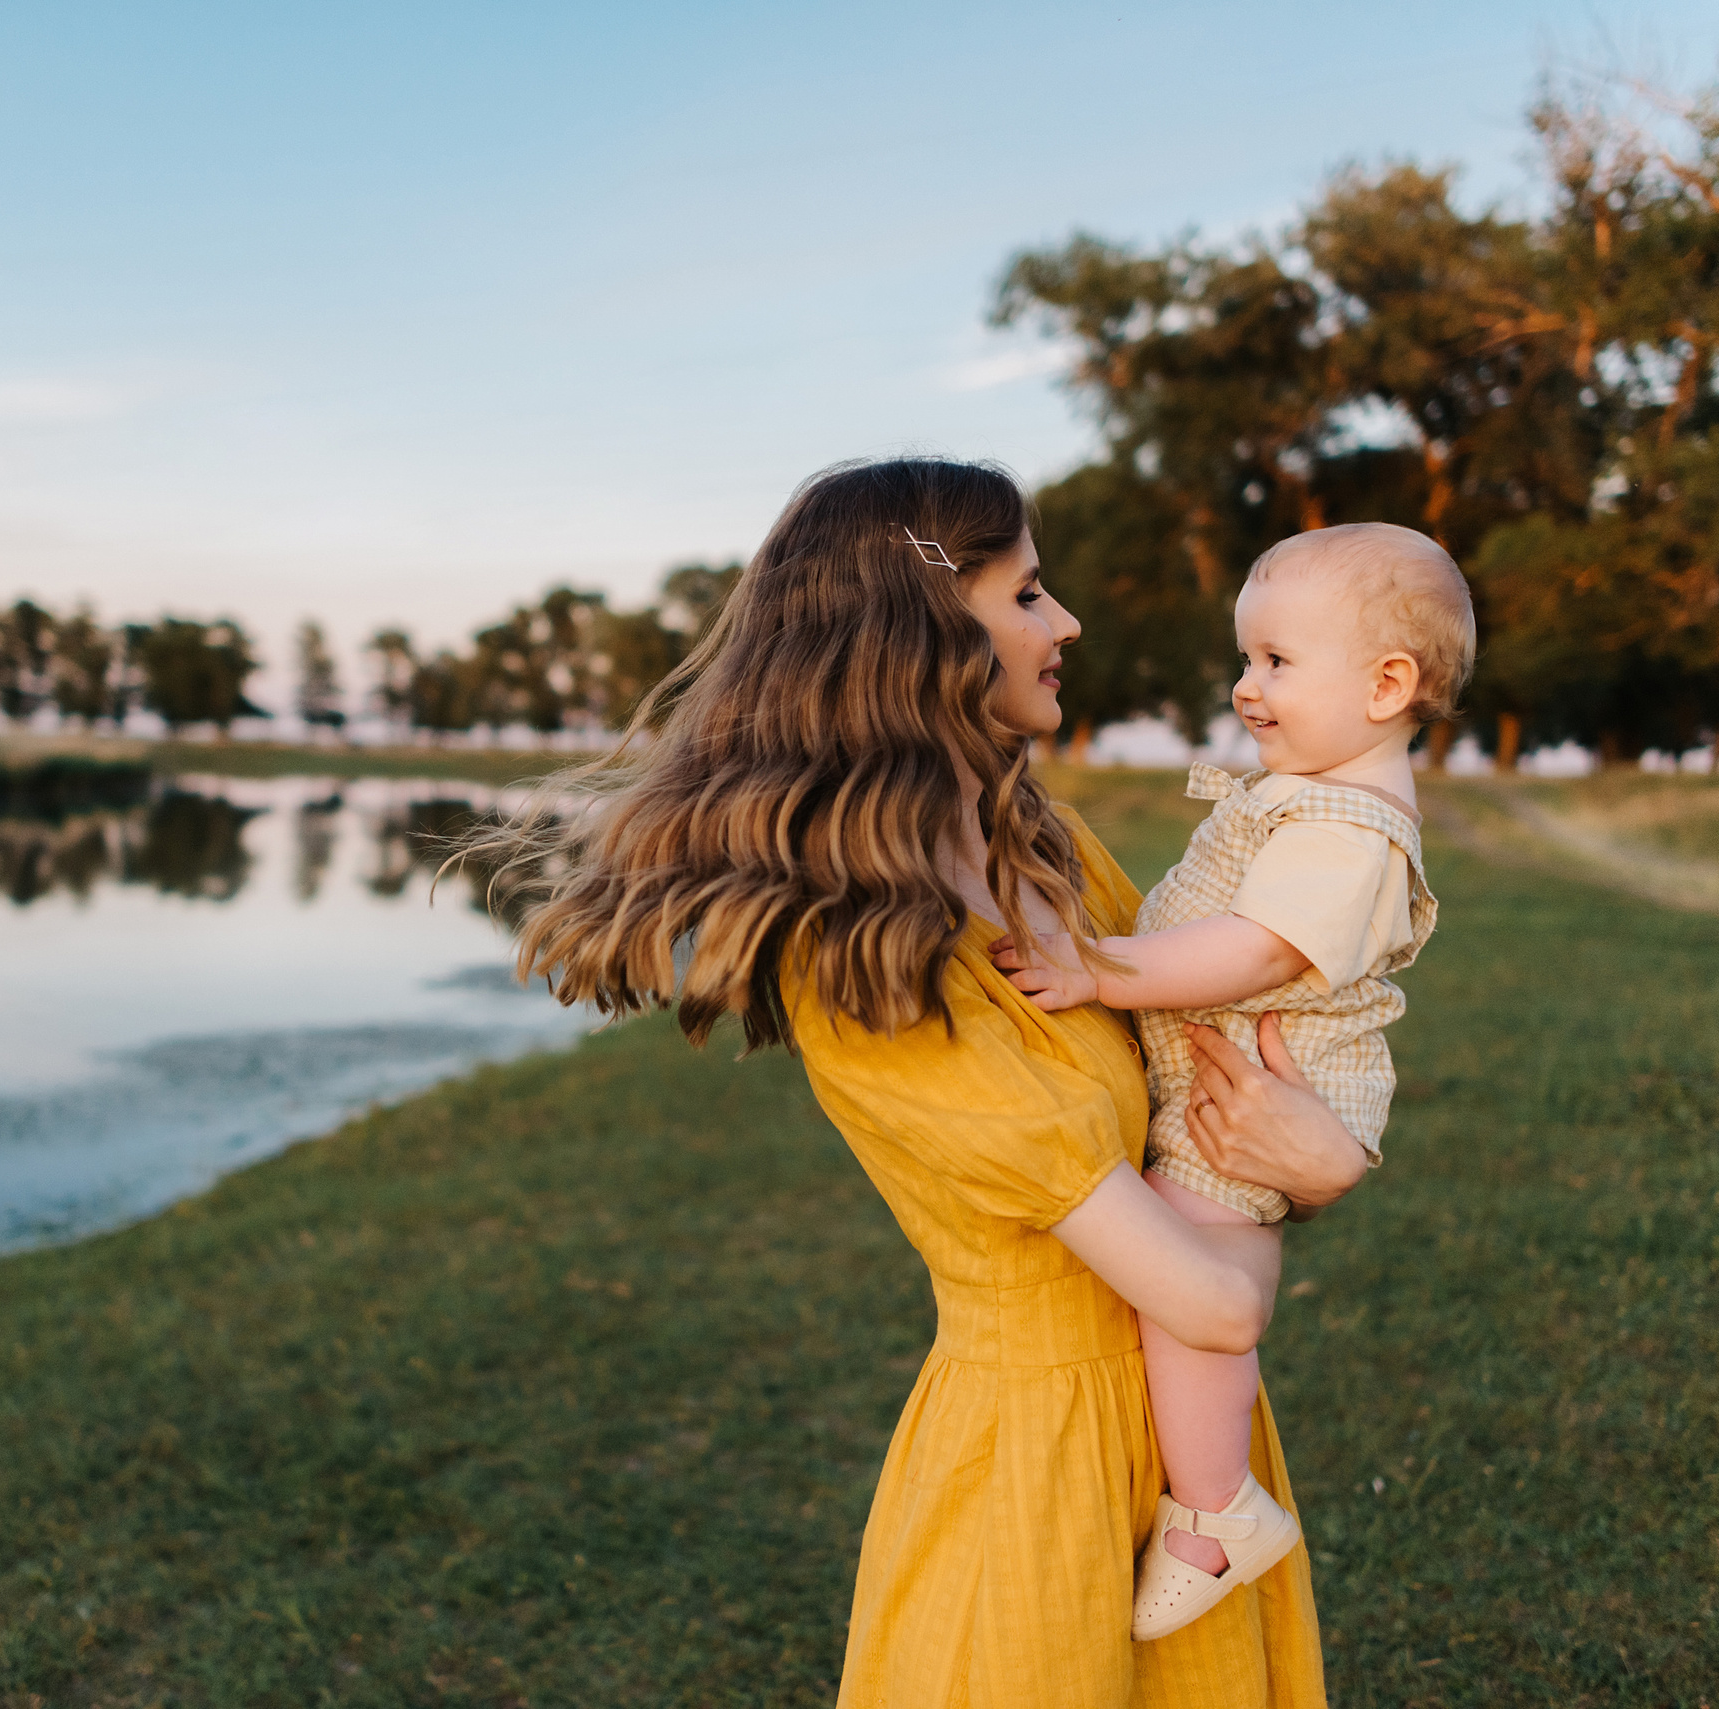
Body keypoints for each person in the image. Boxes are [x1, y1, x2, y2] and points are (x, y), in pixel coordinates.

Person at [502, 457, 1369, 1706]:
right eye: (1025, 594)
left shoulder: (1054, 858)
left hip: (1194, 1452)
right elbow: (1217, 1295)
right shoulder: (869, 966)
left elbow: (1225, 1080)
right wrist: (1309, 1172)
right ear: (922, 636)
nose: (1065, 622)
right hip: (1042, 1463)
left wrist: (1303, 1158)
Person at [990, 522, 1475, 1639]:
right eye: (1246, 659)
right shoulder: (1310, 798)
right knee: (1203, 1262)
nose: (1244, 687)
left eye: (1274, 662)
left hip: (1252, 1075)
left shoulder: (1351, 829)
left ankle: (1212, 1511)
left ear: (1387, 682)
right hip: (1235, 1074)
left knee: (1197, 1270)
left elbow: (1256, 951)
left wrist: (1096, 972)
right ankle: (1216, 1496)